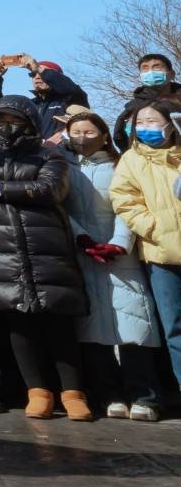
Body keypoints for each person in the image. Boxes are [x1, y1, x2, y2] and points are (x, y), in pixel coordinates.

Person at [0, 98, 89, 420]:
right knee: (19, 326)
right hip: (2, 247)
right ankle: (37, 391)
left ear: (29, 121)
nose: (5, 125)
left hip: (46, 244)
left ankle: (74, 392)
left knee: (58, 320)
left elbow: (50, 189)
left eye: (12, 119)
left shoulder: (49, 153)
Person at [57, 109, 163, 419]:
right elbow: (60, 207)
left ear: (104, 135)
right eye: (75, 132)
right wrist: (82, 239)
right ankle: (108, 394)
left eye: (89, 131)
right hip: (83, 251)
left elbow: (130, 204)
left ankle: (145, 394)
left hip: (122, 250)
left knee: (135, 321)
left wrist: (119, 242)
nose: (82, 138)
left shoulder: (121, 164)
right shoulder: (62, 166)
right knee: (93, 327)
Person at [109, 101, 181, 398]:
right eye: (141, 122)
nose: (146, 127)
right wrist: (153, 227)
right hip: (161, 253)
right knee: (175, 328)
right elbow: (125, 201)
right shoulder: (131, 160)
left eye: (154, 120)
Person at [110, 55, 178, 153]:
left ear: (171, 74)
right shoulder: (132, 107)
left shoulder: (178, 101)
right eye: (145, 69)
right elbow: (120, 136)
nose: (150, 72)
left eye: (156, 67)